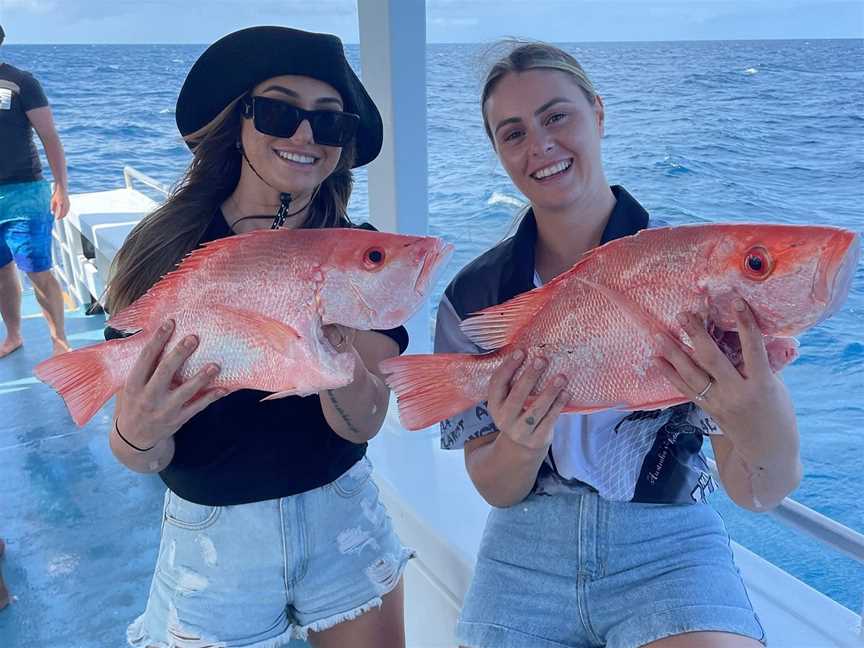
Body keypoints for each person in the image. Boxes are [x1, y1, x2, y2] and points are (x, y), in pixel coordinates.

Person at [435, 41, 801, 648]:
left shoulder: (696, 270)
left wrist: (754, 411)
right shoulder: (474, 300)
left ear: (598, 114)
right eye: (513, 132)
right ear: (497, 152)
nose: (541, 145)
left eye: (557, 116)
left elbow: (758, 487)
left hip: (667, 545)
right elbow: (497, 487)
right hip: (526, 545)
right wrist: (522, 442)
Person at [105, 27, 413, 648]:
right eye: (278, 111)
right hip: (214, 544)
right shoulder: (162, 253)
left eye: (328, 123)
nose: (303, 136)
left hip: (342, 519)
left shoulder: (361, 256)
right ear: (239, 121)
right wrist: (135, 430)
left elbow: (364, 423)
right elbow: (144, 456)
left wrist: (340, 356)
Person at [0, 23, 71, 358]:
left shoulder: (21, 82)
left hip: (24, 194)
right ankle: (13, 335)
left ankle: (59, 343)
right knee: (1, 269)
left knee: (37, 270)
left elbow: (49, 136)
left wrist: (61, 187)